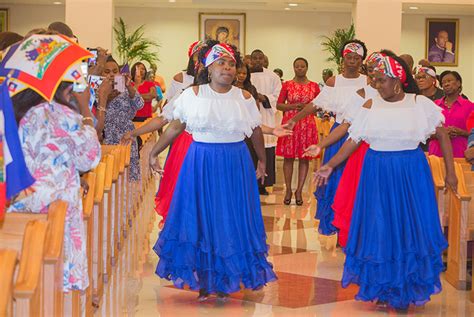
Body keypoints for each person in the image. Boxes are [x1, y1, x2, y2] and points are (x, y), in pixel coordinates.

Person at [314, 54, 457, 311]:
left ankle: (407, 285)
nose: (376, 85)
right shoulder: (370, 105)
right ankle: (381, 285)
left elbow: (443, 135)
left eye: (381, 81)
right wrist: (330, 164)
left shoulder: (419, 103)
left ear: (398, 81)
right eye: (375, 80)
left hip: (410, 172)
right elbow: (353, 140)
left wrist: (451, 172)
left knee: (409, 227)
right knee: (379, 227)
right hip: (377, 171)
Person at [149, 40, 277, 302]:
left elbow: (254, 131)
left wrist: (262, 162)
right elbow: (175, 126)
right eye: (221, 63)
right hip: (200, 161)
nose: (228, 68)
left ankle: (228, 276)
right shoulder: (193, 94)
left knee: (230, 219)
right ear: (208, 68)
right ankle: (206, 279)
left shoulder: (244, 97)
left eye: (231, 64)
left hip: (235, 163)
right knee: (202, 219)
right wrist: (153, 151)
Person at [9, 82, 101, 292]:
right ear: (67, 89)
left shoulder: (15, 111)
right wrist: (85, 107)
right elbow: (90, 159)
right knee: (61, 268)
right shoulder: (62, 114)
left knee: (27, 269)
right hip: (58, 203)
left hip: (23, 197)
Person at [286, 39, 368, 236]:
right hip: (339, 135)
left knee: (358, 183)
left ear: (362, 60)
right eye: (349, 57)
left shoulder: (368, 82)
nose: (353, 61)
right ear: (343, 58)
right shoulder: (334, 81)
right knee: (337, 182)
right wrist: (294, 120)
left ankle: (355, 228)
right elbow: (315, 104)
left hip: (363, 135)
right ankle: (338, 225)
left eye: (357, 58)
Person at [304, 51, 383, 247]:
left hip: (386, 154)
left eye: (379, 70)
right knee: (354, 193)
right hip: (361, 149)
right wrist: (321, 145)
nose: (374, 74)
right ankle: (353, 235)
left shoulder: (400, 97)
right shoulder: (361, 95)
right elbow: (346, 126)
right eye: (371, 70)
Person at [276, 57, 320, 205]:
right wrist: (293, 107)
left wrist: (308, 108)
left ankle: (299, 190)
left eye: (302, 66)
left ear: (307, 68)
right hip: (290, 124)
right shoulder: (287, 85)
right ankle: (288, 189)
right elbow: (279, 105)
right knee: (288, 158)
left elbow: (319, 105)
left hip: (307, 125)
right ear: (293, 68)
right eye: (297, 66)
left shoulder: (314, 86)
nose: (300, 69)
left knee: (304, 158)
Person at [96, 56, 144, 181]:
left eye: (115, 71)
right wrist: (105, 96)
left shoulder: (126, 90)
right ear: (101, 74)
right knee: (108, 182)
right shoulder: (97, 91)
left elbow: (140, 104)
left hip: (126, 138)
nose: (111, 74)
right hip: (107, 139)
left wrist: (129, 86)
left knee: (129, 181)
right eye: (107, 72)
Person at [250, 49, 282, 195]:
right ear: (251, 60)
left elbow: (278, 95)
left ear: (264, 60)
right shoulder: (245, 74)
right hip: (250, 115)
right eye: (254, 58)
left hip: (266, 115)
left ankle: (263, 184)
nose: (257, 61)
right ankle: (250, 182)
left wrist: (265, 98)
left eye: (260, 58)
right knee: (250, 150)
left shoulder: (272, 76)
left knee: (266, 148)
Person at [429, 71, 474, 158]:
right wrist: (442, 133)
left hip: (461, 154)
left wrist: (461, 132)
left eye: (449, 81)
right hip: (437, 154)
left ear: (458, 83)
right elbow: (426, 133)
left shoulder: (470, 106)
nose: (446, 84)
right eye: (443, 82)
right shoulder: (434, 105)